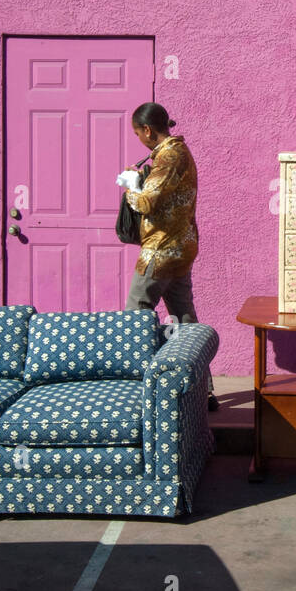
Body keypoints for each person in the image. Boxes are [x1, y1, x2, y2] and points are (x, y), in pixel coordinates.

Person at [120, 102, 215, 409]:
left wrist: (130, 185)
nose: (139, 139)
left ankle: (134, 391)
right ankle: (203, 390)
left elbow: (146, 203)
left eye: (137, 133)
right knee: (185, 321)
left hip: (160, 251)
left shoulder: (168, 156)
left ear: (148, 130)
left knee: (135, 315)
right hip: (181, 248)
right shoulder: (179, 152)